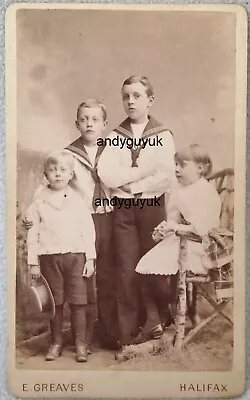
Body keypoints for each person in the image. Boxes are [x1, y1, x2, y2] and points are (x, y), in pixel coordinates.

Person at [98, 76, 176, 353]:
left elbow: (165, 175)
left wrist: (133, 184)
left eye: (136, 96)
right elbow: (105, 172)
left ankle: (157, 319)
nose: (130, 101)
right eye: (125, 97)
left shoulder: (162, 134)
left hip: (152, 207)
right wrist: (139, 176)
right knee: (127, 267)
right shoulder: (115, 136)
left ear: (150, 100)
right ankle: (127, 331)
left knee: (155, 263)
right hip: (124, 210)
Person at [134, 144, 221, 343]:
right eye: (175, 165)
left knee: (150, 266)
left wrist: (175, 229)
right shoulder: (180, 188)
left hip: (201, 247)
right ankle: (155, 318)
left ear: (201, 168)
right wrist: (165, 229)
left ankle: (163, 316)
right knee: (144, 266)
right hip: (181, 241)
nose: (176, 169)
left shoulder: (206, 192)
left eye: (182, 165)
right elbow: (174, 217)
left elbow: (202, 228)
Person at [26, 151, 96, 362]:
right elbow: (32, 232)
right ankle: (55, 342)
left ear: (71, 174)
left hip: (76, 258)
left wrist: (90, 258)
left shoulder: (78, 201)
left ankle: (80, 344)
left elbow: (88, 230)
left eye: (63, 170)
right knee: (54, 303)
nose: (58, 174)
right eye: (53, 170)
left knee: (78, 302)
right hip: (49, 258)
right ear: (45, 174)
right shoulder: (38, 203)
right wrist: (33, 262)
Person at [64, 99, 118, 350]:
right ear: (77, 123)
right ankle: (81, 334)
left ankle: (108, 331)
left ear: (104, 124)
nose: (89, 124)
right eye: (84, 119)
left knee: (108, 274)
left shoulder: (114, 151)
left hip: (109, 217)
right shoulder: (67, 155)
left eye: (95, 119)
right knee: (82, 276)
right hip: (82, 221)